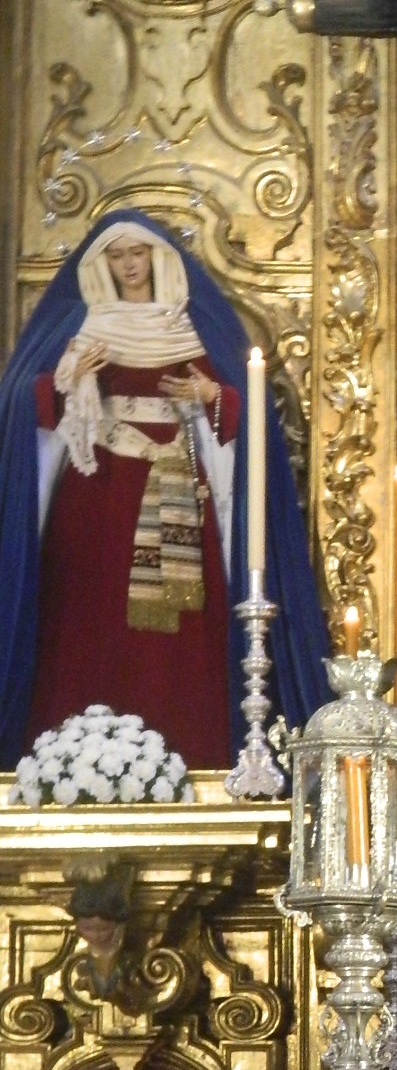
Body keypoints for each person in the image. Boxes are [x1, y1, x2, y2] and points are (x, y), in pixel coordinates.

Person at [0, 211, 329, 769]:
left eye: (138, 253)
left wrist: (210, 395)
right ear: (101, 263)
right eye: (117, 256)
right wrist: (70, 381)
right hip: (95, 497)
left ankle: (189, 760)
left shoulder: (189, 327)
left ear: (158, 258)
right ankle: (71, 763)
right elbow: (23, 405)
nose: (129, 266)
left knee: (174, 636)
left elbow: (244, 414)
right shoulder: (85, 327)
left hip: (171, 493)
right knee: (85, 625)